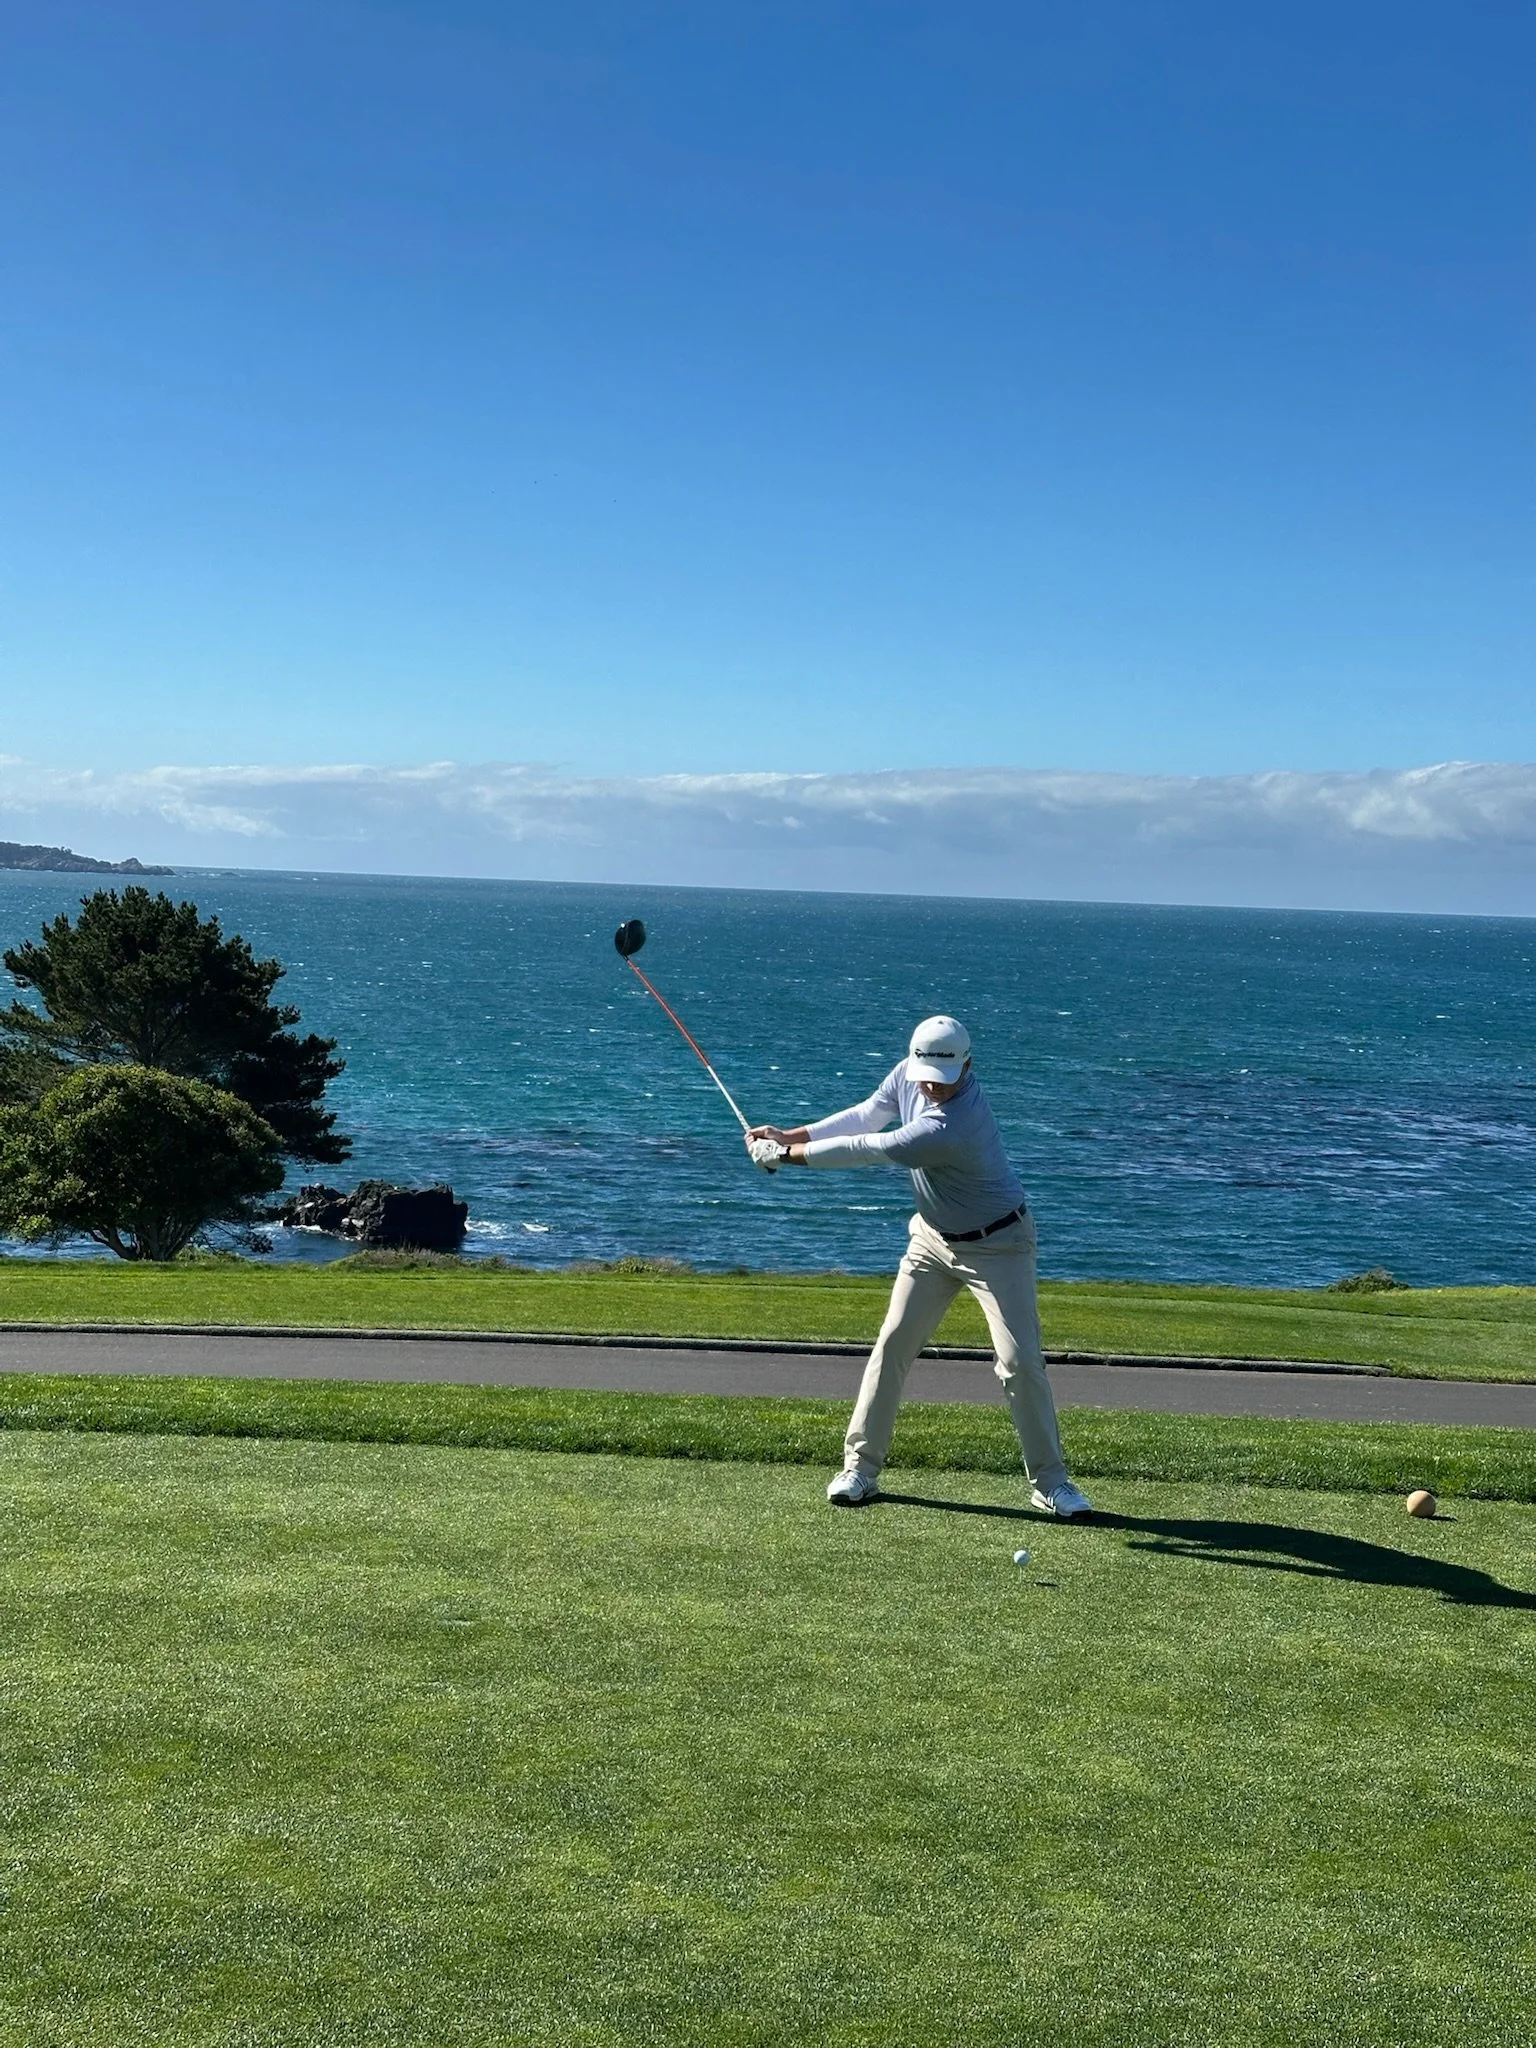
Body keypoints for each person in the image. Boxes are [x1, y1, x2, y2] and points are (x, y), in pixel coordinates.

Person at [745, 1015, 1091, 1518]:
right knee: (893, 1343)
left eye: (942, 1078)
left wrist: (785, 1156)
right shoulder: (908, 1073)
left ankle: (1051, 1483)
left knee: (1019, 1363)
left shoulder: (953, 1124)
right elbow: (867, 1116)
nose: (931, 1086)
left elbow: (871, 1148)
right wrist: (790, 1135)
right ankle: (860, 1469)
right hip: (931, 1240)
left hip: (999, 1245)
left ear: (967, 1066)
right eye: (925, 1074)